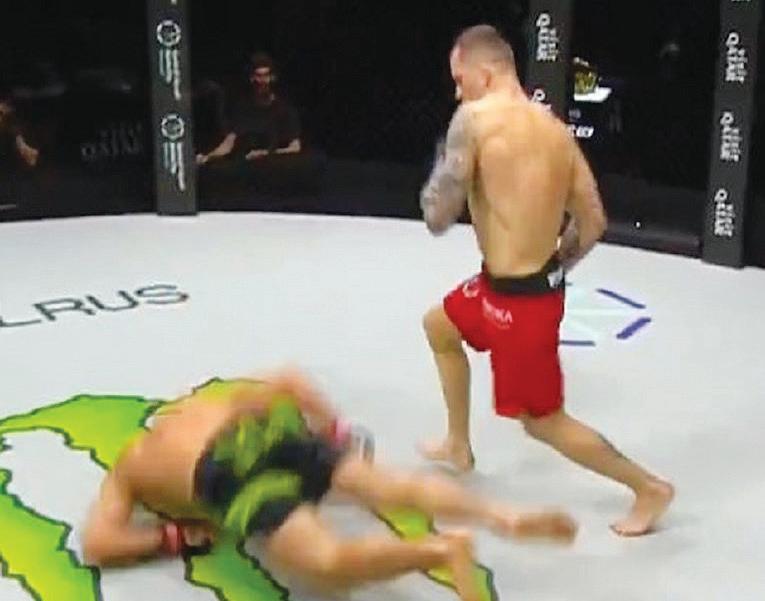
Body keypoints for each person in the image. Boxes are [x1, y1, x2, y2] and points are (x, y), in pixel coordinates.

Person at [418, 25, 674, 537]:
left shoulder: (473, 120)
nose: (457, 92)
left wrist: (444, 173)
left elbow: (437, 217)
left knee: (542, 421)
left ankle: (648, 487)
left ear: (484, 73)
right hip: (515, 288)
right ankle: (458, 444)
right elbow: (594, 220)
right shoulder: (557, 132)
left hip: (519, 305)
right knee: (439, 325)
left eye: (459, 80)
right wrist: (553, 267)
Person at [82, 369, 576, 601]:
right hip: (265, 430)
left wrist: (174, 537)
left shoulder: (130, 466)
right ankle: (500, 515)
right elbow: (289, 381)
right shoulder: (203, 407)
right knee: (389, 486)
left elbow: (98, 544)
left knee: (327, 564)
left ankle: (439, 551)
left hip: (223, 472)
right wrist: (332, 434)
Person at [196, 53, 302, 166]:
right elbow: (229, 143)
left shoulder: (285, 109)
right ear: (252, 78)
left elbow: (295, 147)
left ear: (272, 78)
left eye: (266, 76)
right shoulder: (242, 109)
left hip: (275, 168)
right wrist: (208, 157)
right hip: (247, 168)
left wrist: (266, 154)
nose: (262, 81)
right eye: (258, 76)